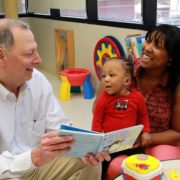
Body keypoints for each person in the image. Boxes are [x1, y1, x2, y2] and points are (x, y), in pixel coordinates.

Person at [0, 18, 110, 180]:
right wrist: (34, 157)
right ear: (2, 56)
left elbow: (58, 128)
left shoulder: (37, 81)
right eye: (29, 53)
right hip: (7, 174)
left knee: (89, 161)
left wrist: (84, 146)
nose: (39, 60)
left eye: (36, 51)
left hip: (38, 166)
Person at [95, 24, 180, 179]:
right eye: (148, 41)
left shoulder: (175, 84)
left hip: (157, 143)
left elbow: (177, 133)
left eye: (157, 46)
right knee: (116, 167)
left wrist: (148, 138)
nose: (147, 47)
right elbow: (99, 108)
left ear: (171, 57)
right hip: (121, 144)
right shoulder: (124, 69)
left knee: (162, 169)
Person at [92, 57, 151, 180]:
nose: (106, 79)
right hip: (109, 146)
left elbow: (143, 116)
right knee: (102, 169)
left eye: (111, 75)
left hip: (132, 143)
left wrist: (146, 132)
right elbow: (97, 121)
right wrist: (96, 141)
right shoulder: (103, 99)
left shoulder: (137, 98)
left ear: (127, 81)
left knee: (141, 166)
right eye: (104, 76)